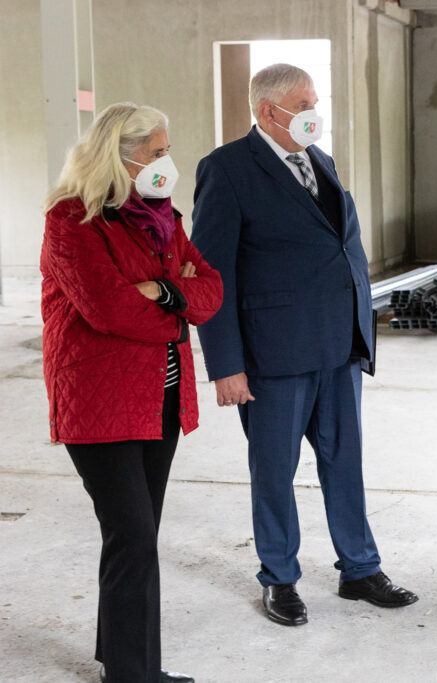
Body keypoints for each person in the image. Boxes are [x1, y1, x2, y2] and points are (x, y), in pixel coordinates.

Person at [191, 63, 416, 627]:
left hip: (338, 346)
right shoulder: (227, 170)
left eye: (316, 101)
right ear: (269, 111)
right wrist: (226, 366)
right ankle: (280, 578)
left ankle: (359, 569)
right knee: (274, 470)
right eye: (304, 103)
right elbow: (211, 273)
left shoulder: (322, 160)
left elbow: (340, 249)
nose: (315, 112)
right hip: (275, 356)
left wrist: (361, 332)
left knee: (346, 463)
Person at [41, 102, 223, 683]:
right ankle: (133, 675)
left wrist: (163, 293)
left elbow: (212, 289)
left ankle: (120, 661)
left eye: (167, 150)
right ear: (120, 156)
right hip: (99, 402)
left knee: (133, 539)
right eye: (158, 151)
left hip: (160, 400)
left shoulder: (163, 218)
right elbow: (109, 309)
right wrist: (178, 303)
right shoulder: (72, 220)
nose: (167, 161)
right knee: (134, 537)